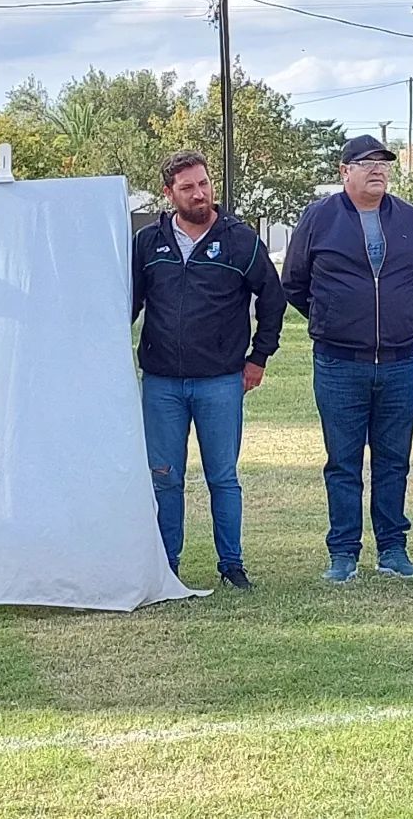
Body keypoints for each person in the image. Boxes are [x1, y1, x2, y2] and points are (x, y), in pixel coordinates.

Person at [132, 150, 285, 589]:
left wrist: (259, 357)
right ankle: (166, 565)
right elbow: (129, 302)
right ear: (168, 193)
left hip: (221, 380)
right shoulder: (147, 243)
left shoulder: (240, 240)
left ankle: (231, 565)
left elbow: (272, 299)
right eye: (188, 188)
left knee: (223, 477)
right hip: (161, 382)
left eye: (203, 183)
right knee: (164, 478)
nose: (199, 194)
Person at [283, 135, 413, 583]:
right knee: (343, 462)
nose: (377, 169)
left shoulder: (409, 217)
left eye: (383, 162)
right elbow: (294, 283)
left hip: (400, 361)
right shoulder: (319, 218)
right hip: (339, 362)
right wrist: (332, 318)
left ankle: (393, 549)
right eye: (366, 163)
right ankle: (343, 553)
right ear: (344, 171)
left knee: (394, 460)